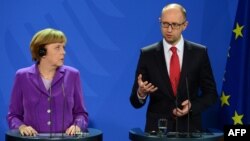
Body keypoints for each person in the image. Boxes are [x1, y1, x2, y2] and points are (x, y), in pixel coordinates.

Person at [130, 3, 218, 133]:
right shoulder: (147, 54)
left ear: (185, 25)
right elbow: (135, 101)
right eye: (165, 24)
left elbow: (211, 94)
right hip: (157, 131)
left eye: (175, 25)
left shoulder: (199, 53)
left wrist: (192, 106)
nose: (169, 30)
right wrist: (141, 94)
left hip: (189, 130)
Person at [7, 28, 88, 136]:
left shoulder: (73, 75)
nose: (63, 52)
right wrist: (21, 127)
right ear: (42, 52)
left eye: (63, 47)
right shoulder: (22, 76)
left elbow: (81, 113)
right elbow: (13, 115)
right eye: (57, 48)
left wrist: (77, 125)